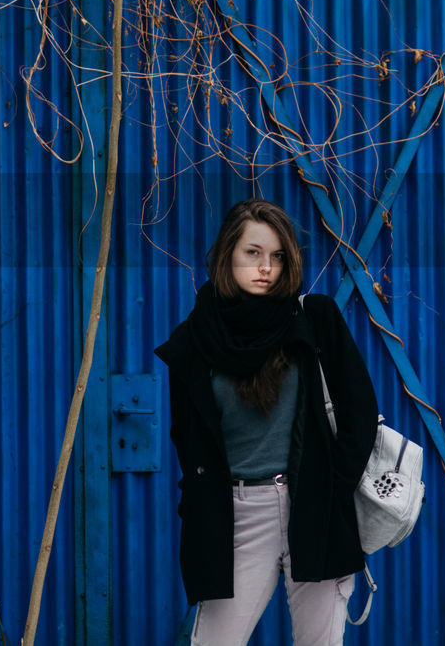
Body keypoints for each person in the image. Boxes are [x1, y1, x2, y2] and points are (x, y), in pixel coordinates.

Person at [154, 199, 379, 646]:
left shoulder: (313, 318)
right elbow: (189, 443)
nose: (266, 268)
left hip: (313, 506)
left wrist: (332, 488)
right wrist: (201, 512)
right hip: (236, 513)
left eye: (277, 256)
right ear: (226, 256)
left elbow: (359, 413)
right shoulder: (194, 340)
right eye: (252, 253)